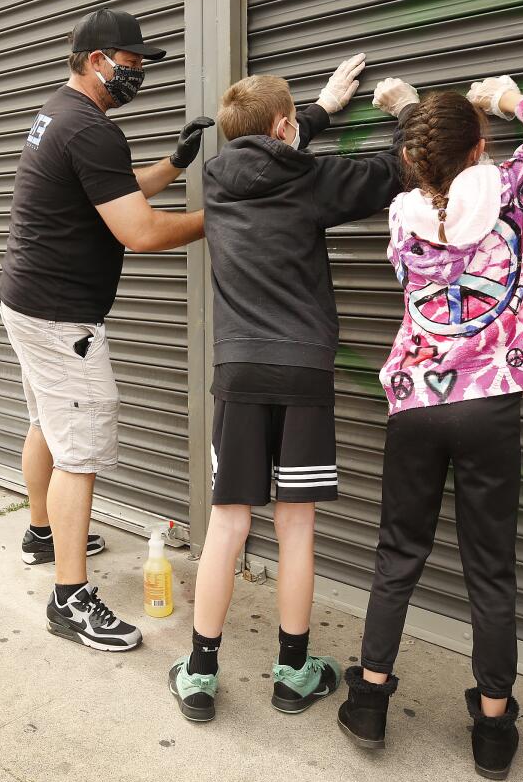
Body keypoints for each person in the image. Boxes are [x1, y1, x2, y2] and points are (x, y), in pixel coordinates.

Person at [336, 77, 523, 781]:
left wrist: (409, 110)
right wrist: (506, 98)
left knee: (397, 554)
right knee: (490, 568)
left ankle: (372, 699)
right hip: (491, 402)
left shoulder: (400, 217)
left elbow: (429, 165)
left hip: (416, 401)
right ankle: (495, 730)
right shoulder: (507, 190)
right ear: (480, 148)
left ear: (413, 159)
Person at [167, 58, 415, 722]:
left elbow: (264, 143)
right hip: (304, 370)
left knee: (228, 522)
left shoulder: (215, 182)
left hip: (241, 370)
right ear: (285, 127)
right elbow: (398, 170)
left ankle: (199, 672)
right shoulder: (313, 179)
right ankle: (293, 671)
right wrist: (404, 111)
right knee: (296, 521)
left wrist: (320, 110)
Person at [0, 7, 212, 651]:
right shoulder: (90, 129)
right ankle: (71, 598)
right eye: (133, 64)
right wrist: (220, 216)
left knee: (48, 424)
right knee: (81, 449)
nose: (140, 74)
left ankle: (42, 531)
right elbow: (140, 230)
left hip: (27, 302)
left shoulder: (59, 115)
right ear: (97, 61)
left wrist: (173, 166)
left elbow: (110, 188)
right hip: (61, 316)